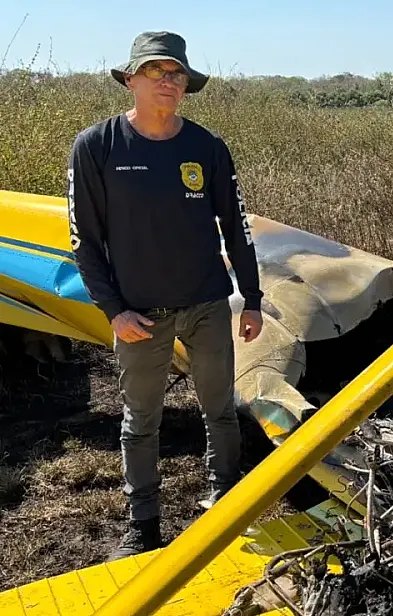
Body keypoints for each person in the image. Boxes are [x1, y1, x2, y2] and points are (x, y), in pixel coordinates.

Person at [67, 31, 264, 560]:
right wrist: (114, 311)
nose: (168, 81)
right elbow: (84, 240)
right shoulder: (97, 146)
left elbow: (237, 227)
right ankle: (144, 524)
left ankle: (224, 501)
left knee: (220, 409)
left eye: (176, 73)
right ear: (130, 79)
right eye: (155, 71)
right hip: (138, 316)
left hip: (205, 304)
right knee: (141, 421)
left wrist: (252, 298)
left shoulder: (207, 148)